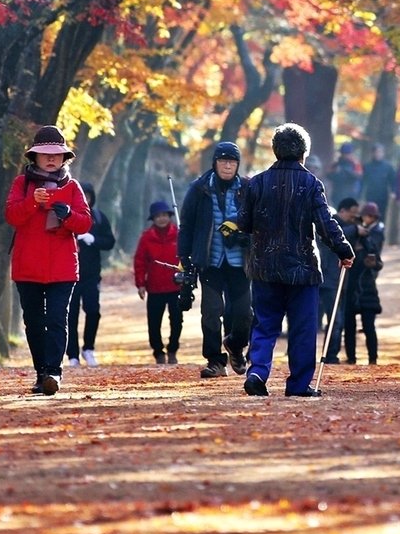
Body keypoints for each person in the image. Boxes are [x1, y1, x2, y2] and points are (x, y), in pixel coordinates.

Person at [239, 123, 355, 397]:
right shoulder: (312, 184)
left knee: (264, 323)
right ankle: (299, 385)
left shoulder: (256, 183)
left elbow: (243, 223)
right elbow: (325, 224)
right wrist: (344, 249)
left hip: (264, 266)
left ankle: (257, 372)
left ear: (275, 150)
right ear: (304, 153)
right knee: (302, 328)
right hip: (301, 268)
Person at [5, 125, 92, 395]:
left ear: (64, 157)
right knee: (34, 322)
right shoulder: (22, 184)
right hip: (28, 266)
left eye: (56, 154)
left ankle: (54, 372)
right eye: (45, 154)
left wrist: (68, 216)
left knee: (56, 319)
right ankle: (41, 373)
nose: (51, 158)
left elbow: (85, 223)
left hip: (62, 267)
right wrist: (32, 202)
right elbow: (12, 216)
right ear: (34, 156)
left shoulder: (73, 187)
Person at [177, 141, 251, 378]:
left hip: (240, 262)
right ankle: (215, 361)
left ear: (238, 165)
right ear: (214, 163)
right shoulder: (199, 189)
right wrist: (184, 257)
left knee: (243, 313)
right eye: (223, 161)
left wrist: (244, 235)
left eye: (232, 162)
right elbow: (186, 225)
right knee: (211, 312)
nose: (227, 166)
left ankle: (236, 347)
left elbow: (258, 221)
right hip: (210, 261)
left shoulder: (248, 189)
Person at [67, 181, 116, 369]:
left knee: (93, 311)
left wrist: (93, 239)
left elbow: (110, 242)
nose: (84, 199)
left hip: (91, 275)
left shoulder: (98, 218)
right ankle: (72, 354)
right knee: (70, 315)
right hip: (69, 275)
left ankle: (88, 348)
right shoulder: (66, 216)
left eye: (87, 196)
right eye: (81, 196)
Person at [133, 200, 183, 364]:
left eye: (164, 215)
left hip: (176, 286)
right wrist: (140, 283)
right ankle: (158, 352)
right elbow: (140, 262)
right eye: (158, 216)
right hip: (154, 287)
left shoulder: (179, 234)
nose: (161, 219)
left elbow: (186, 258)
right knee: (154, 322)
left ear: (170, 216)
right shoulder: (147, 237)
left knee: (177, 320)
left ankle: (173, 349)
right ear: (153, 219)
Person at [318, 197, 360, 365]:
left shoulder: (349, 228)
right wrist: (356, 230)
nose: (354, 217)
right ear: (342, 210)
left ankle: (331, 354)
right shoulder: (331, 225)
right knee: (333, 320)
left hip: (338, 281)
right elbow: (336, 234)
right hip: (327, 280)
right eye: (352, 213)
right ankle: (328, 355)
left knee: (337, 320)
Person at [343, 201, 385, 365]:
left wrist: (371, 263)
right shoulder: (347, 240)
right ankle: (351, 358)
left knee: (369, 326)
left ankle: (373, 359)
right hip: (349, 286)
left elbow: (379, 263)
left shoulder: (369, 239)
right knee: (349, 326)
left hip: (367, 287)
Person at [360, 144, 396, 225]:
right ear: (372, 153)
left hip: (383, 196)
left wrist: (393, 191)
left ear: (383, 153)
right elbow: (362, 181)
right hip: (370, 195)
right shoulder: (367, 166)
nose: (378, 154)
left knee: (381, 216)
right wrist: (360, 195)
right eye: (376, 152)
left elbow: (393, 180)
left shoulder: (388, 167)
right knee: (369, 215)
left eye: (380, 152)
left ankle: (380, 230)